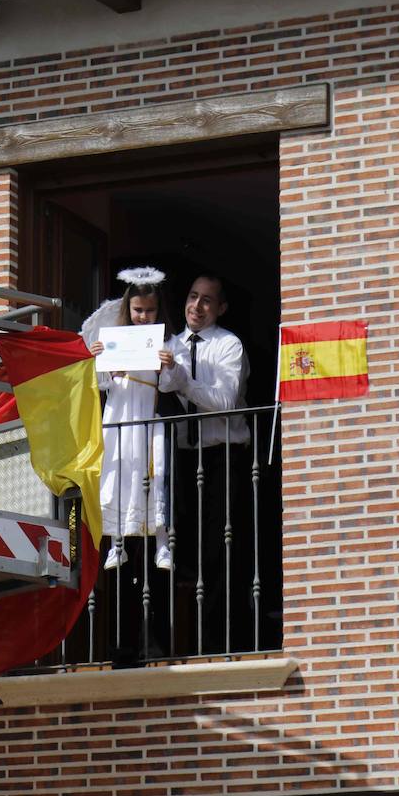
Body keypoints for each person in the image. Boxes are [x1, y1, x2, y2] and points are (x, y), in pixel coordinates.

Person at [156, 273, 252, 655]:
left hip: (221, 455)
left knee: (219, 550)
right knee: (180, 548)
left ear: (221, 308)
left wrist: (182, 381)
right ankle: (176, 641)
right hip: (179, 457)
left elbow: (226, 400)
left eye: (207, 300)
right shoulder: (169, 345)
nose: (197, 306)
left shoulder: (229, 345)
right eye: (192, 297)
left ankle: (218, 640)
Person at [81, 267, 175, 574]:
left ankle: (162, 543)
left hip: (147, 413)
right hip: (120, 413)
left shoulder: (167, 343)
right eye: (138, 310)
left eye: (149, 311)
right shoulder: (113, 338)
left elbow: (174, 383)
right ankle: (116, 543)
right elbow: (98, 383)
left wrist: (168, 366)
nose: (143, 317)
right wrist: (98, 361)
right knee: (117, 472)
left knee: (154, 475)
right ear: (127, 308)